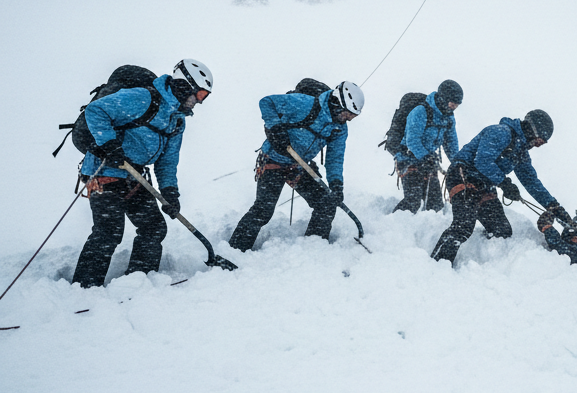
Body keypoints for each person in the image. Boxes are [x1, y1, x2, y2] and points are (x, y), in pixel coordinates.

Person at [72, 58, 214, 288]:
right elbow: (96, 110)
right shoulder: (143, 97)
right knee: (109, 232)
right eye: (199, 95)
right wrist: (109, 144)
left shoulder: (177, 121)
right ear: (184, 85)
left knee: (154, 227)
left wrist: (170, 192)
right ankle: (83, 288)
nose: (199, 102)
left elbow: (167, 162)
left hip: (134, 177)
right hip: (104, 170)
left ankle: (139, 280)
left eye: (203, 97)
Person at [228, 80, 364, 252]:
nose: (349, 119)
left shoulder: (339, 129)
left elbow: (335, 158)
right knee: (263, 210)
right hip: (273, 161)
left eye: (353, 116)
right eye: (348, 114)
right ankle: (234, 251)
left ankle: (313, 248)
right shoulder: (304, 104)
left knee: (326, 204)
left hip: (297, 166)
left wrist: (336, 184)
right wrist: (275, 128)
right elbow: (266, 102)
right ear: (337, 103)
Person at [430, 109, 571, 264]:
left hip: (484, 186)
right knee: (463, 225)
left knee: (501, 230)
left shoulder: (521, 153)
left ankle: (482, 256)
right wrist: (504, 183)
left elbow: (531, 182)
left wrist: (554, 207)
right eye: (539, 141)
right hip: (462, 177)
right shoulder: (500, 133)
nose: (538, 145)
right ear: (532, 130)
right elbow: (482, 161)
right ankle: (436, 264)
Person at [392, 80, 463, 214]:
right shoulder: (421, 111)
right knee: (413, 200)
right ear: (443, 99)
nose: (454, 107)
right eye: (452, 103)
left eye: (456, 105)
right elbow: (412, 140)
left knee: (435, 204)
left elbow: (451, 144)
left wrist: (459, 163)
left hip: (428, 162)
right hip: (408, 159)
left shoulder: (448, 118)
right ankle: (391, 226)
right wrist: (425, 157)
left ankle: (427, 231)